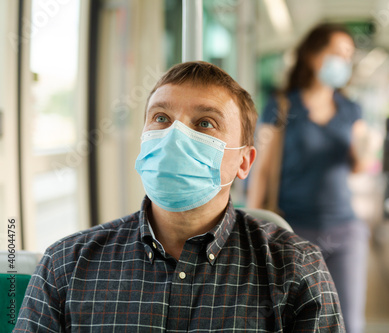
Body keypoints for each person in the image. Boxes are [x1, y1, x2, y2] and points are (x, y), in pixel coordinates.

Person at [14, 61, 345, 332]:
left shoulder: (295, 270)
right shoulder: (67, 264)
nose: (174, 136)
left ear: (243, 162)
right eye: (161, 118)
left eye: (204, 123)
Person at [247, 23, 370, 333]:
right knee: (293, 320)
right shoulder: (283, 105)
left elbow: (359, 166)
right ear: (314, 57)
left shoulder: (351, 109)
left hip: (344, 229)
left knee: (349, 321)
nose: (343, 61)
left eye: (348, 55)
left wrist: (368, 149)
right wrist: (250, 224)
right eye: (337, 53)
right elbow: (261, 170)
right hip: (294, 230)